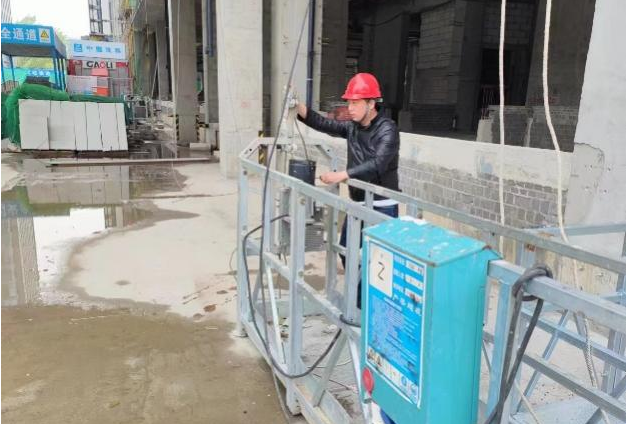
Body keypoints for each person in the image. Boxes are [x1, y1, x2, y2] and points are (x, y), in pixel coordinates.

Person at [296, 72, 400, 308]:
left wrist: (342, 175)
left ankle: (370, 308)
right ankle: (362, 303)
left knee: (379, 262)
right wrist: (299, 107)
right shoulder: (353, 127)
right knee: (347, 251)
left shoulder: (388, 129)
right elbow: (325, 124)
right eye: (349, 102)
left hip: (381, 206)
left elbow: (378, 163)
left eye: (355, 103)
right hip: (358, 204)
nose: (349, 108)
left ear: (371, 103)